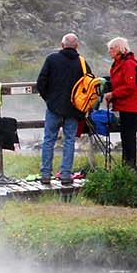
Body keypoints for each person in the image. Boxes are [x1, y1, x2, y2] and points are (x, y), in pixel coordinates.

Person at [36, 33, 87, 187]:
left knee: (49, 140)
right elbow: (89, 85)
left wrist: (49, 99)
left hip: (54, 107)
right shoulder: (82, 62)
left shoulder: (52, 59)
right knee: (69, 141)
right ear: (76, 46)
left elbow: (41, 81)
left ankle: (45, 174)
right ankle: (65, 174)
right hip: (73, 109)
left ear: (62, 44)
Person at [101, 37, 137, 169]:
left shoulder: (128, 64)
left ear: (119, 48)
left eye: (112, 48)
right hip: (125, 105)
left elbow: (129, 86)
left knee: (129, 137)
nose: (109, 51)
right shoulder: (118, 63)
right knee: (125, 137)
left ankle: (130, 168)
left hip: (132, 106)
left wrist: (113, 94)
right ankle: (126, 167)